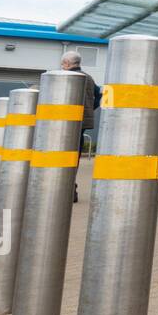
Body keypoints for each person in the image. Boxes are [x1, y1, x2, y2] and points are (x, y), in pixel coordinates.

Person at [61, 50, 101, 203]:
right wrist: (89, 109)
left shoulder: (67, 77)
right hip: (82, 123)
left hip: (66, 123)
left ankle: (66, 190)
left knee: (62, 155)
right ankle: (71, 190)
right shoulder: (88, 78)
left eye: (62, 64)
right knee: (74, 156)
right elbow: (100, 95)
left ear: (67, 64)